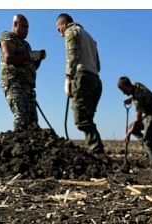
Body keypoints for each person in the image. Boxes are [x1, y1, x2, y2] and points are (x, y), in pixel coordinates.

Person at [56, 13, 105, 155]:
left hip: (82, 78)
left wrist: (68, 78)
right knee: (87, 118)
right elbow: (98, 64)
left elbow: (72, 55)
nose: (60, 35)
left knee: (81, 120)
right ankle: (96, 150)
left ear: (63, 24)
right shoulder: (89, 37)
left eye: (59, 30)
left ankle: (97, 153)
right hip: (95, 80)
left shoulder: (71, 31)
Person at [0, 14, 46, 130]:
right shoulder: (8, 37)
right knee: (22, 118)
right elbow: (8, 58)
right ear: (15, 25)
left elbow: (31, 67)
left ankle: (31, 146)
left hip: (28, 87)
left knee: (33, 123)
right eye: (24, 26)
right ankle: (18, 145)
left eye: (27, 27)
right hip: (14, 82)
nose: (26, 30)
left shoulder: (26, 45)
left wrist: (38, 59)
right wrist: (30, 56)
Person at [117, 76, 152, 168]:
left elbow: (138, 120)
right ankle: (147, 151)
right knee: (131, 126)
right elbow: (139, 95)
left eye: (124, 90)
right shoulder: (135, 85)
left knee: (148, 141)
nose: (123, 93)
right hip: (149, 114)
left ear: (128, 86)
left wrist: (128, 134)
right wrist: (131, 99)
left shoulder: (138, 100)